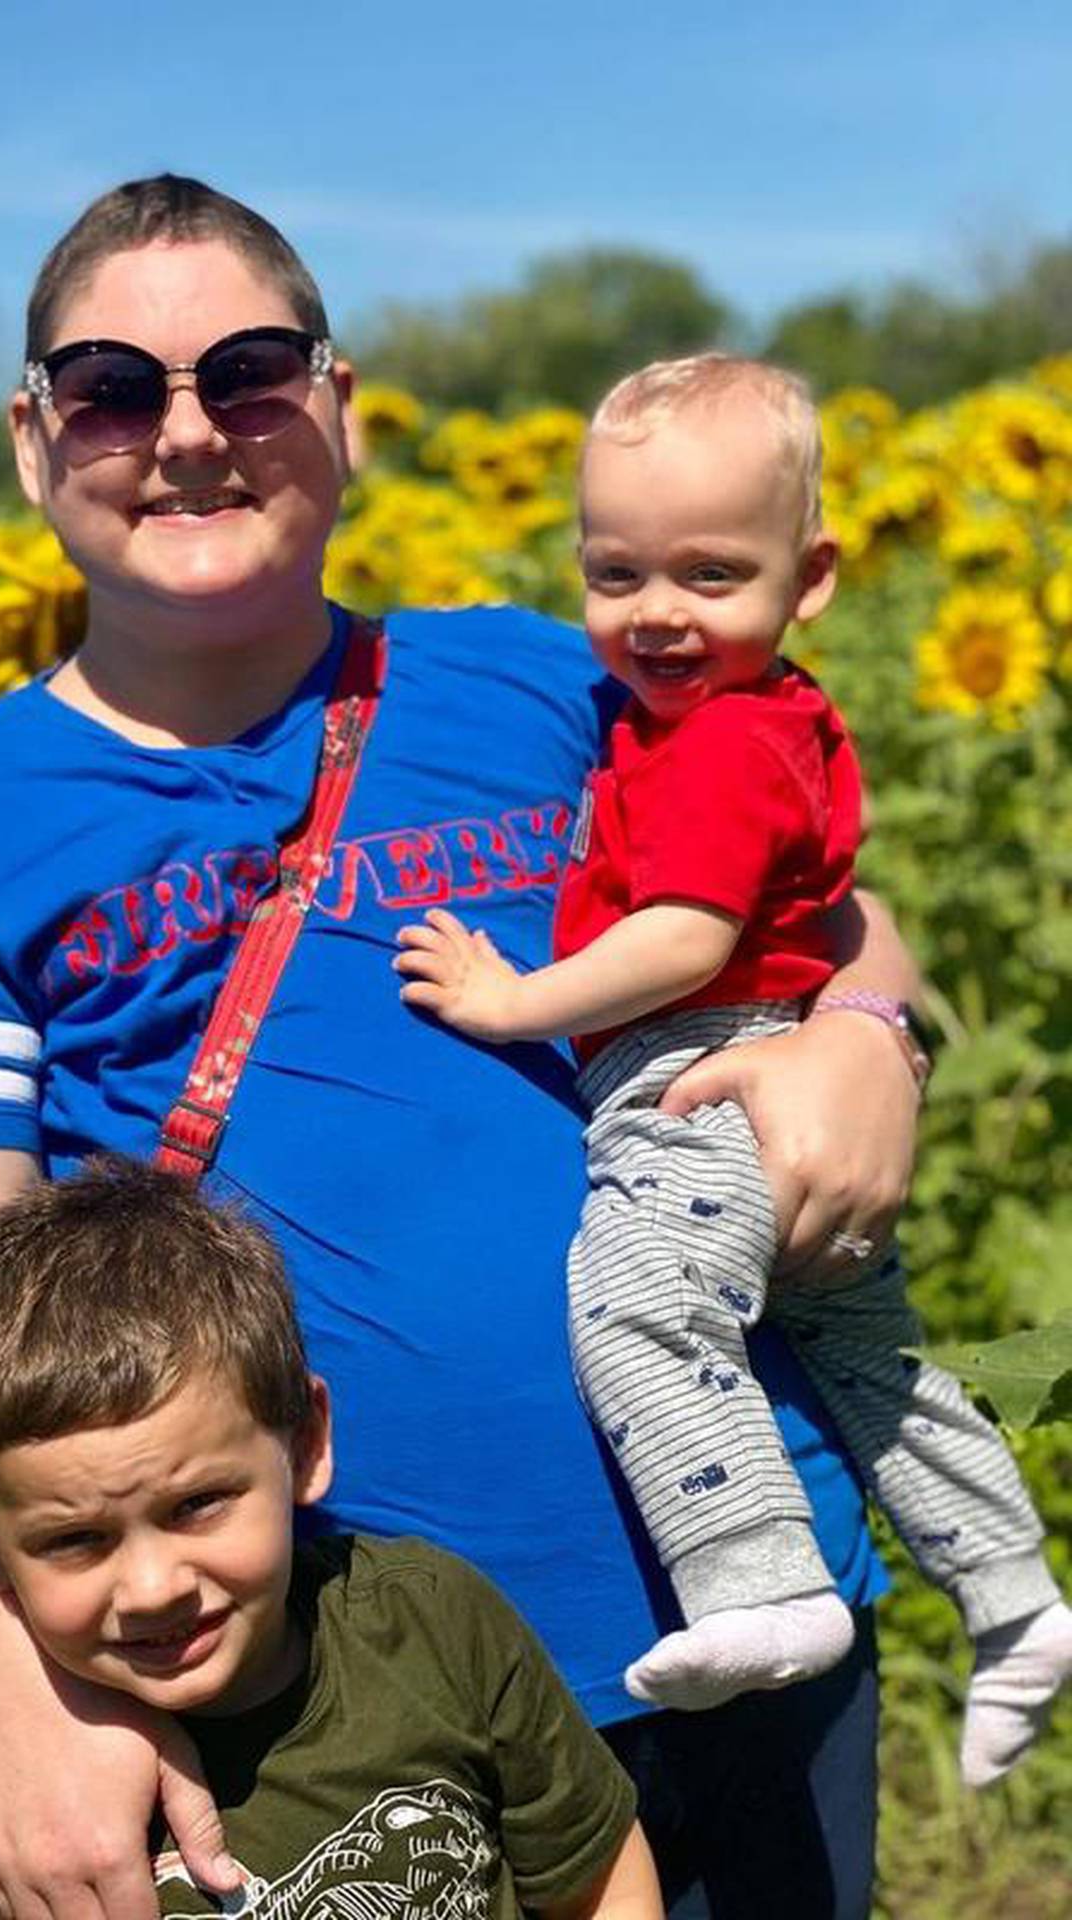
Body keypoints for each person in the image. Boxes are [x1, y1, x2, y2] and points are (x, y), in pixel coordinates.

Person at [0, 175, 926, 1920]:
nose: (186, 435)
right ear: (33, 443)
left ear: (339, 412)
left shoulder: (559, 683)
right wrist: (17, 1681)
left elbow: (814, 896)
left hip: (751, 1589)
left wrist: (862, 1033)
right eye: (111, 388)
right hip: (350, 1715)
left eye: (247, 373)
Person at [395, 354, 1072, 1784]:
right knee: (866, 1363)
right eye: (617, 571)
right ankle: (1014, 1596)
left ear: (810, 576)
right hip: (770, 1070)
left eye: (711, 573)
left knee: (638, 1313)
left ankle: (762, 1587)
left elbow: (687, 934)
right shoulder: (768, 718)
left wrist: (515, 1001)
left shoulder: (713, 751)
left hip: (698, 1084)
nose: (656, 613)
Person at [0, 1157, 662, 1918]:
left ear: (304, 1446)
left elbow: (598, 1883)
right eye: (78, 1540)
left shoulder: (432, 1626)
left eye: (198, 1505)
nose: (155, 1587)